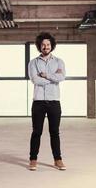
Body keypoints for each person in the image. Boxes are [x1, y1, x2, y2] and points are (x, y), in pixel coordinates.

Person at [28, 32, 66, 171]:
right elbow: (35, 80)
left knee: (54, 132)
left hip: (54, 101)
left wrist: (45, 75)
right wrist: (53, 77)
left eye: (48, 44)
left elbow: (62, 77)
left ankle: (58, 159)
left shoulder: (59, 61)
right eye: (43, 44)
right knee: (36, 132)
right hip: (38, 102)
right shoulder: (33, 62)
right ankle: (33, 159)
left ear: (52, 45)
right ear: (39, 46)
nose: (46, 47)